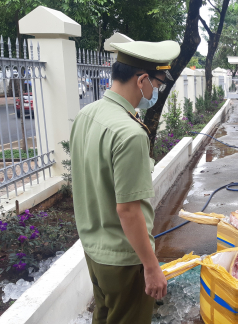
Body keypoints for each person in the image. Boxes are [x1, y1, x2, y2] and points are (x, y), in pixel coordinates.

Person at [70, 40, 180, 324]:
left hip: (94, 248)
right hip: (124, 258)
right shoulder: (129, 133)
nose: (155, 91)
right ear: (141, 79)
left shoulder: (87, 114)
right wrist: (151, 265)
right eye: (156, 84)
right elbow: (128, 210)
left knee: (105, 315)